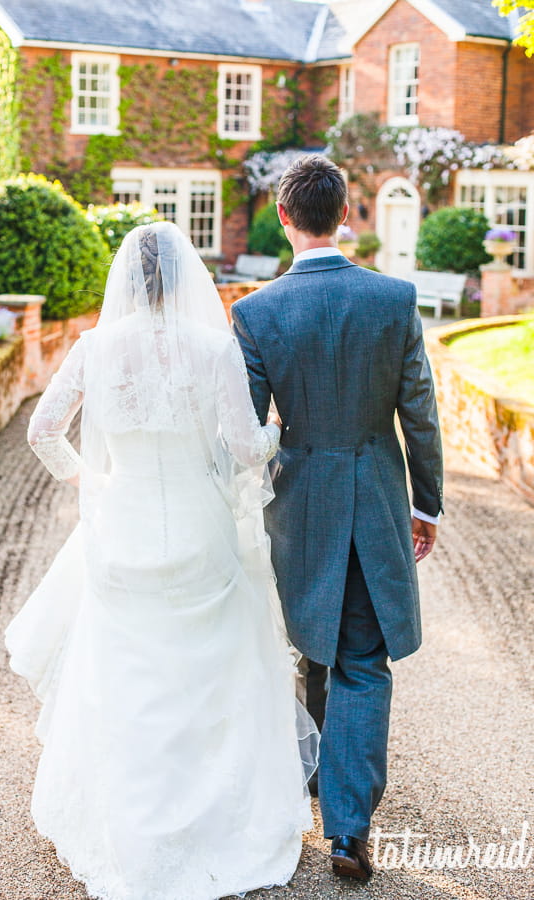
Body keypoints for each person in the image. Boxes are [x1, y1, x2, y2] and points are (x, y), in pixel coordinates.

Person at [5, 222, 317, 900]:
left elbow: (42, 431)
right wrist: (275, 433)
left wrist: (92, 482)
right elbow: (242, 448)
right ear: (184, 281)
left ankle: (130, 821)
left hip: (123, 528)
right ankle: (212, 815)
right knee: (207, 676)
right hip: (200, 538)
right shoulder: (213, 348)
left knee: (130, 683)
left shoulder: (95, 348)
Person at [231, 155, 443, 882]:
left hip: (298, 507)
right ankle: (348, 828)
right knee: (360, 656)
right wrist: (427, 503)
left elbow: (246, 432)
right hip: (378, 499)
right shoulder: (394, 299)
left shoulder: (256, 313)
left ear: (285, 218)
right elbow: (419, 412)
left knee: (313, 645)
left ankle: (326, 787)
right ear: (346, 214)